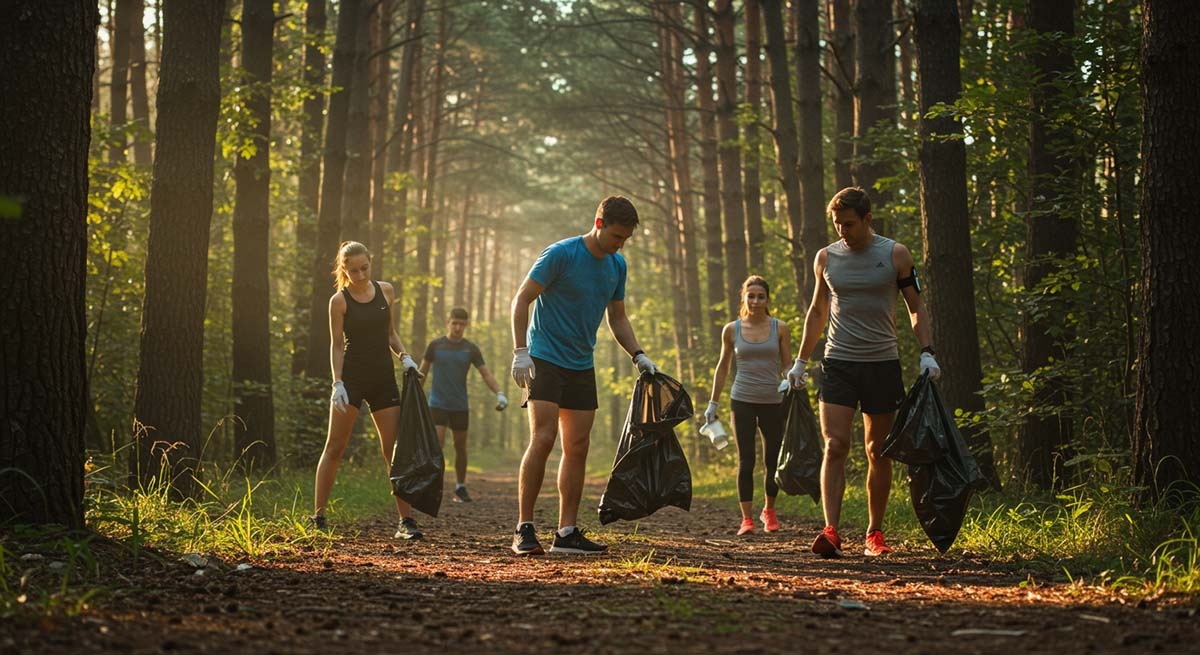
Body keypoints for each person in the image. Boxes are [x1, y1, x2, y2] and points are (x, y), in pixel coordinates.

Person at [789, 187, 941, 558]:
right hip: (838, 362)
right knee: (836, 444)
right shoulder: (826, 258)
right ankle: (831, 530)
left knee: (878, 450)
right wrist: (800, 360)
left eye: (849, 223)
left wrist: (927, 353)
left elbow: (915, 306)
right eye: (837, 224)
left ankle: (874, 533)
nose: (842, 230)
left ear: (868, 219)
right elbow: (817, 311)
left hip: (881, 363)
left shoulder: (894, 254)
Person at [509, 196, 658, 556]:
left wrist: (638, 355)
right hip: (543, 357)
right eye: (616, 236)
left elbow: (617, 318)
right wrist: (519, 352)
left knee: (577, 447)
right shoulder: (561, 254)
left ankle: (566, 532)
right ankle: (524, 529)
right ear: (599, 222)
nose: (619, 244)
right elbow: (521, 299)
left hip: (580, 364)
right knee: (543, 438)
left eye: (625, 239)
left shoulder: (616, 266)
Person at [311, 241, 425, 540]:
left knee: (394, 452)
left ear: (370, 263)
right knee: (335, 446)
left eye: (364, 268)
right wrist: (337, 383)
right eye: (353, 271)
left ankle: (406, 522)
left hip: (383, 378)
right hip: (351, 379)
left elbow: (390, 333)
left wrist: (406, 357)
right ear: (344, 270)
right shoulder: (339, 301)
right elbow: (336, 345)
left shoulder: (386, 290)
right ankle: (319, 517)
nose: (359, 275)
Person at [704, 275, 793, 536]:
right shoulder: (732, 330)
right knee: (746, 460)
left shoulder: (780, 328)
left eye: (760, 296)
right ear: (743, 298)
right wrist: (713, 403)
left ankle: (769, 511)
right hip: (741, 399)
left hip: (772, 400)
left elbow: (786, 363)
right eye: (751, 296)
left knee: (772, 460)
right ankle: (746, 519)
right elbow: (723, 368)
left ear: (767, 300)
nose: (755, 301)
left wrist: (793, 376)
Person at [419, 307, 508, 503]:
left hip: (459, 405)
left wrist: (499, 393)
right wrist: (413, 396)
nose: (458, 327)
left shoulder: (470, 348)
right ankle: (433, 486)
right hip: (438, 403)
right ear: (448, 323)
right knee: (438, 444)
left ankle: (460, 487)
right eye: (454, 323)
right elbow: (422, 372)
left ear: (466, 325)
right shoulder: (435, 345)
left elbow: (486, 373)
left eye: (461, 324)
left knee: (460, 446)